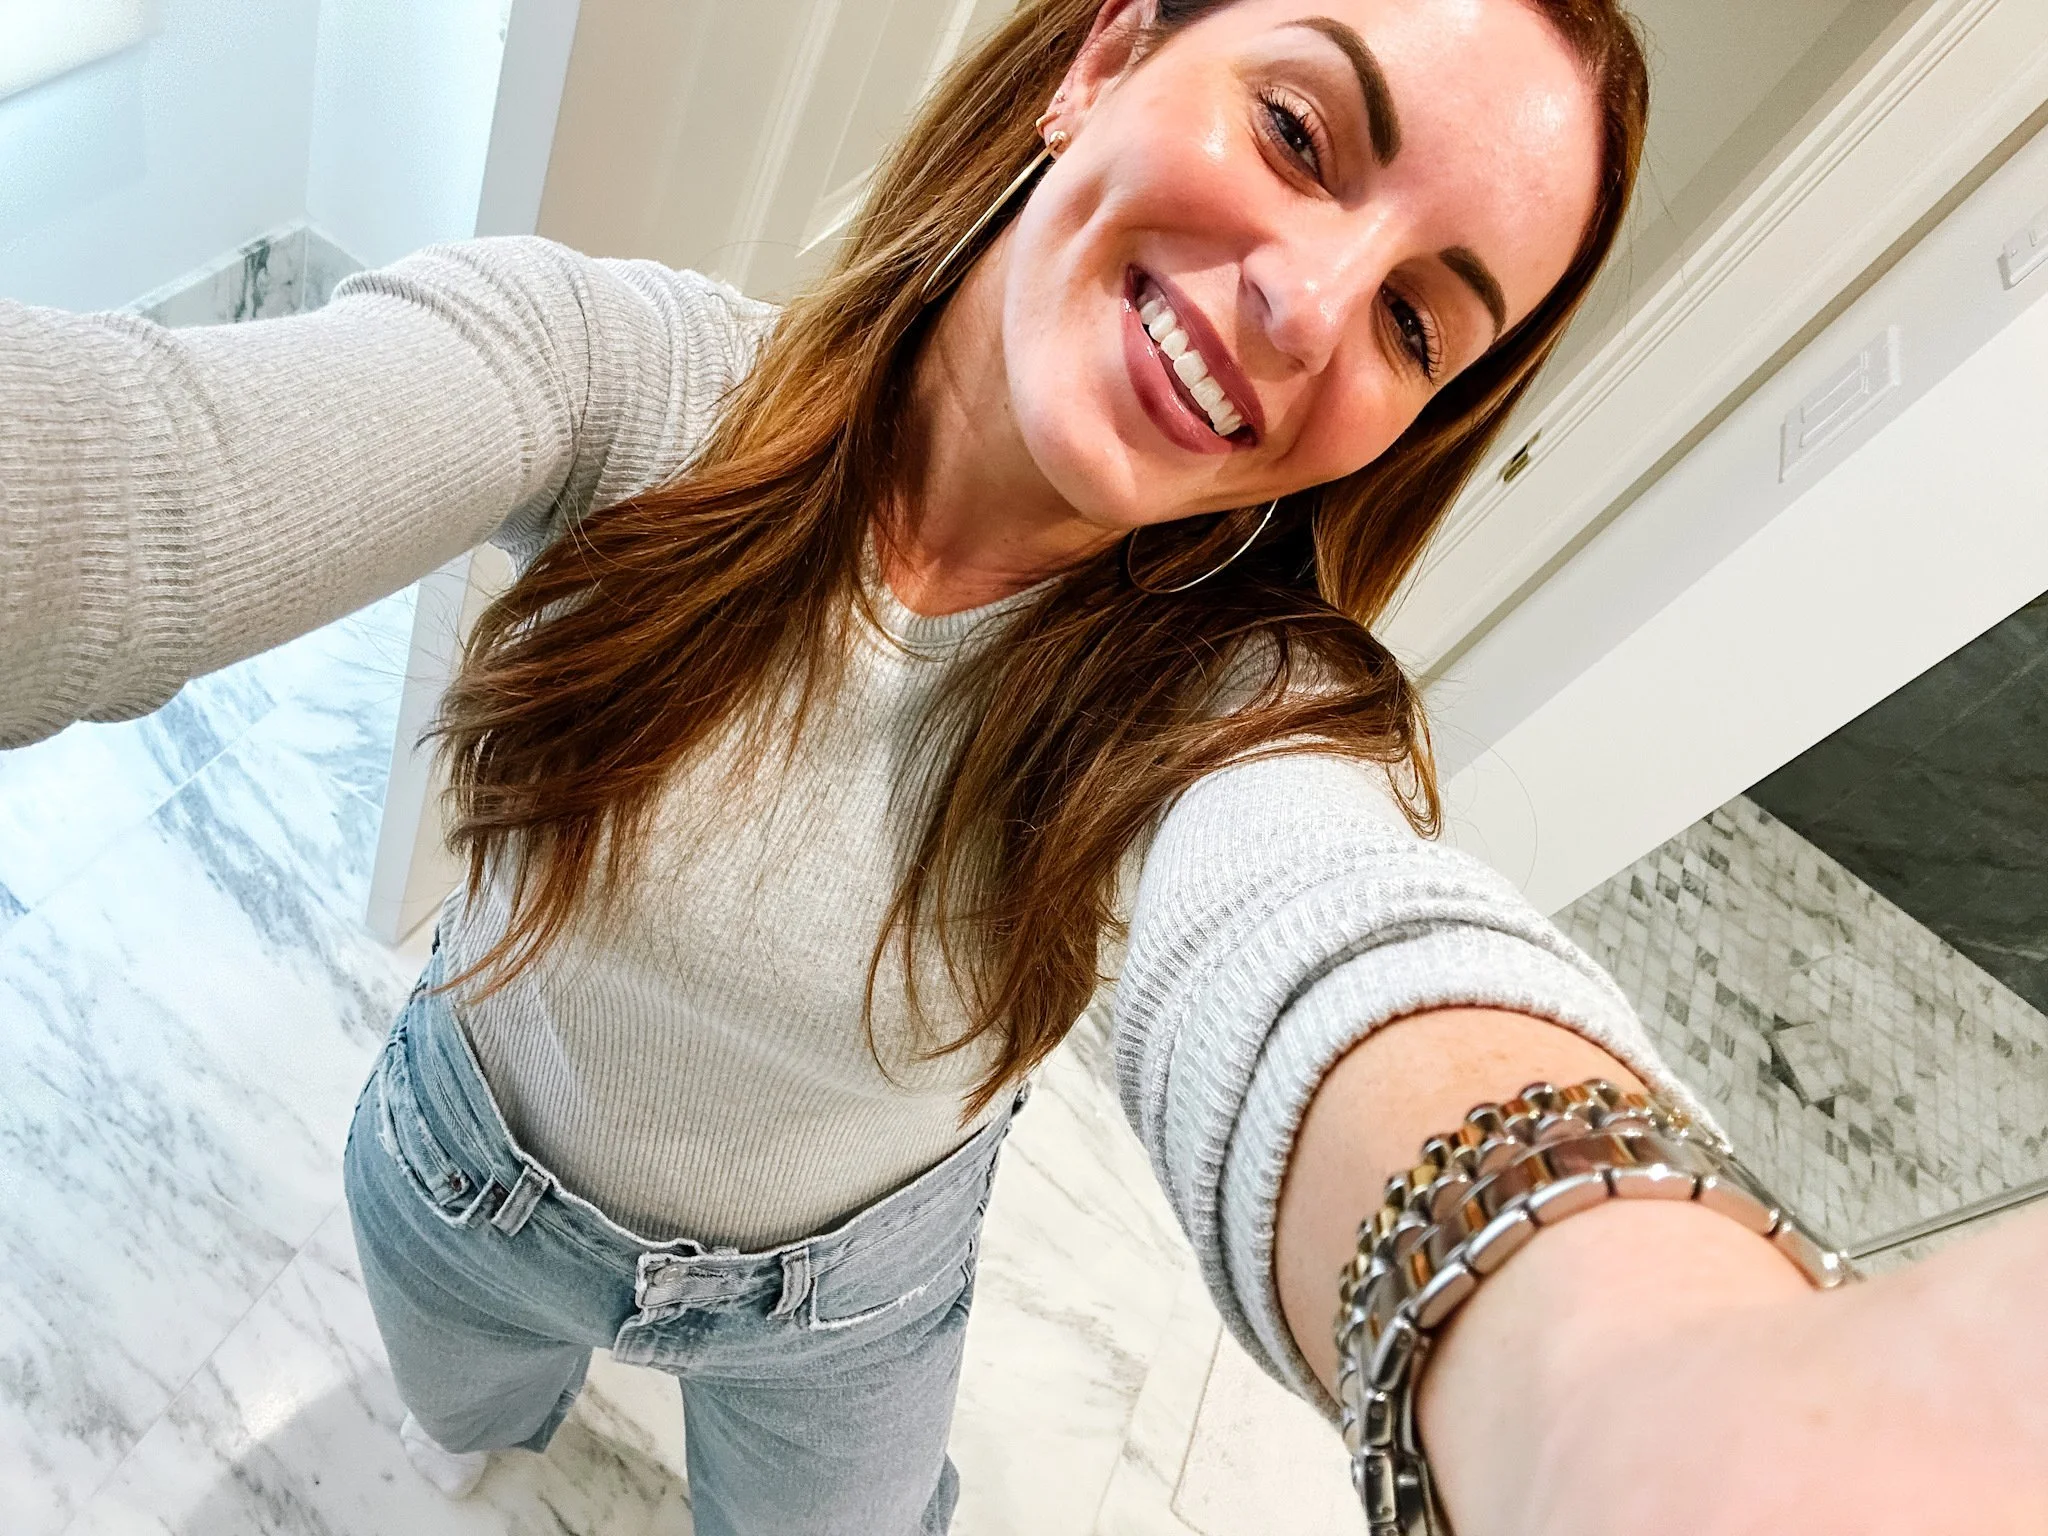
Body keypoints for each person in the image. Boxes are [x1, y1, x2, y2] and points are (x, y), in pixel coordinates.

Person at [3, 0, 2044, 1531]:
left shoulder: (1220, 710)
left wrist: (1608, 1365)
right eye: (1299, 130)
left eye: (1422, 326)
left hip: (850, 1311)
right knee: (471, 1427)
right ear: (1104, 57)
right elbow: (158, 490)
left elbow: (1326, 935)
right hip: (468, 1173)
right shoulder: (612, 376)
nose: (1307, 307)